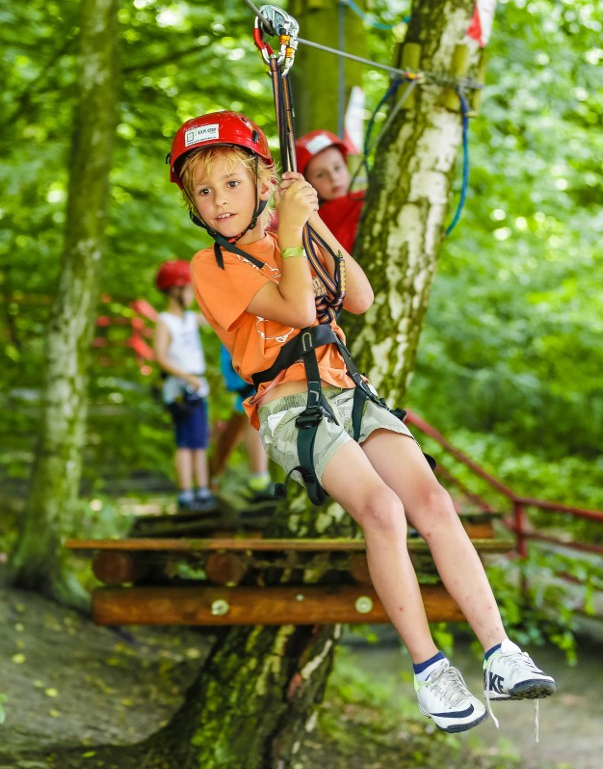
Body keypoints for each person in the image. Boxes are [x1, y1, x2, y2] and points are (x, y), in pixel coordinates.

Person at [167, 110, 557, 734]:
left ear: (261, 183)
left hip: (347, 386)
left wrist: (309, 216)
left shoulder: (286, 230)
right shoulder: (210, 266)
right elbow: (297, 307)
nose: (218, 202)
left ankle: (500, 652)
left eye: (232, 184)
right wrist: (291, 229)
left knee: (431, 498)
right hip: (289, 404)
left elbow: (361, 296)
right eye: (204, 191)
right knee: (382, 508)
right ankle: (429, 667)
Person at [153, 260, 215, 511]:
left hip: (197, 386)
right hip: (182, 388)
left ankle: (202, 489)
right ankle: (186, 492)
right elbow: (160, 356)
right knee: (186, 443)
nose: (191, 295)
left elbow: (216, 317)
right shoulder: (165, 321)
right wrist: (186, 376)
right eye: (188, 289)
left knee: (200, 441)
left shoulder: (190, 318)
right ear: (175, 291)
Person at [211, 343, 276, 503]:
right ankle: (258, 480)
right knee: (252, 423)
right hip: (247, 379)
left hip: (244, 378)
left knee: (237, 431)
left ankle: (215, 480)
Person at [296, 129, 365, 253]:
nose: (333, 178)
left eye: (337, 168)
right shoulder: (307, 221)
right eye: (320, 175)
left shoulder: (367, 198)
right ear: (307, 182)